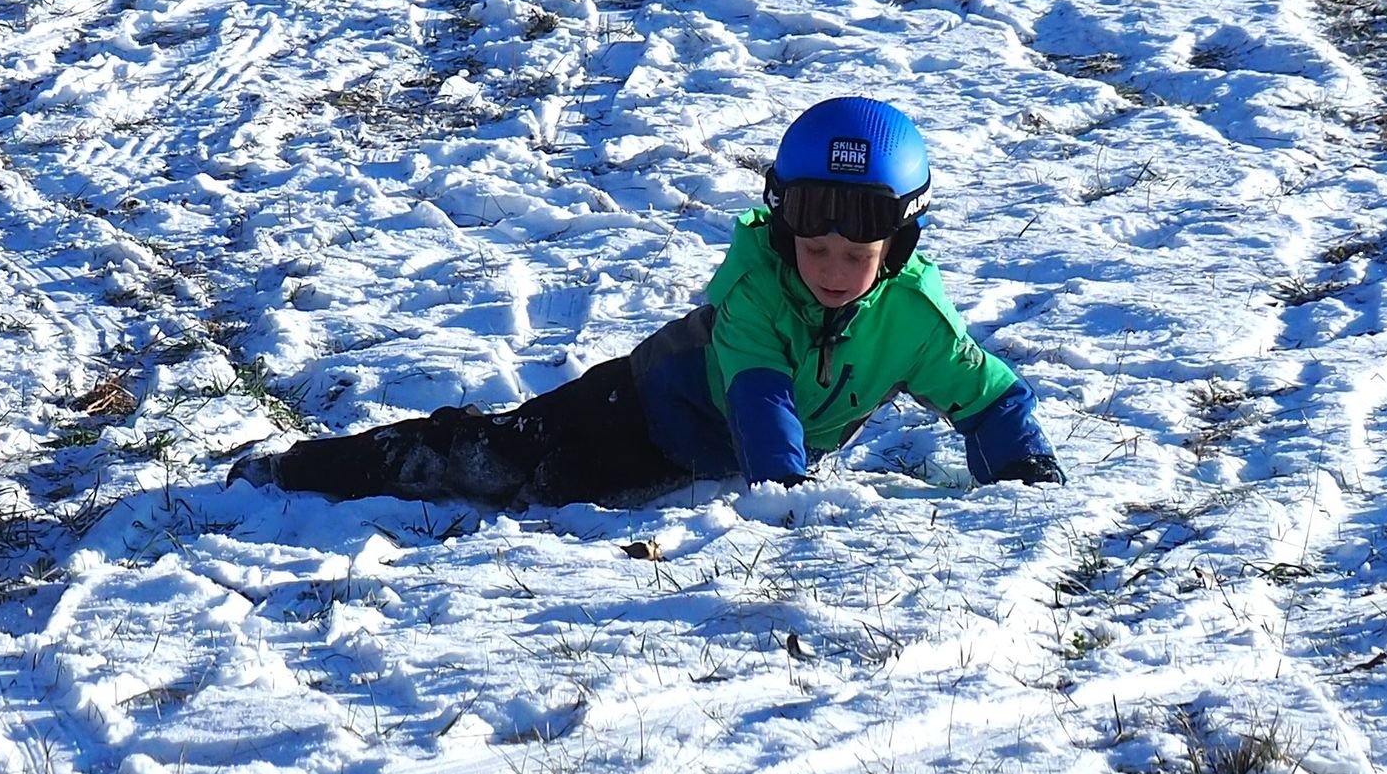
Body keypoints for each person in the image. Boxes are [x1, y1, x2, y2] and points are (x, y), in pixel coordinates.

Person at [260, 96, 1062, 507]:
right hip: (642, 408)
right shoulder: (755, 290)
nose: (832, 269)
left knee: (537, 487)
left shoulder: (915, 322)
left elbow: (991, 399)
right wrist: (785, 497)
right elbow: (761, 399)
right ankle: (304, 469)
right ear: (784, 234)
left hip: (711, 458)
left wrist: (1023, 477)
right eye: (814, 248)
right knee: (501, 467)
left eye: (856, 255)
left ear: (901, 249)